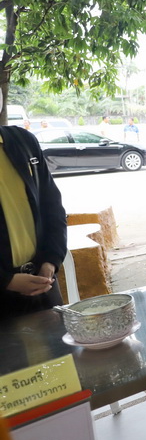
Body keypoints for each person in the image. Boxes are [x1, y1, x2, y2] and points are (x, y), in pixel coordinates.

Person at [0, 89, 68, 320]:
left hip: (42, 286)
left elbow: (52, 208)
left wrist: (51, 261)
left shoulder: (22, 141)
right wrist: (6, 281)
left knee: (58, 356)